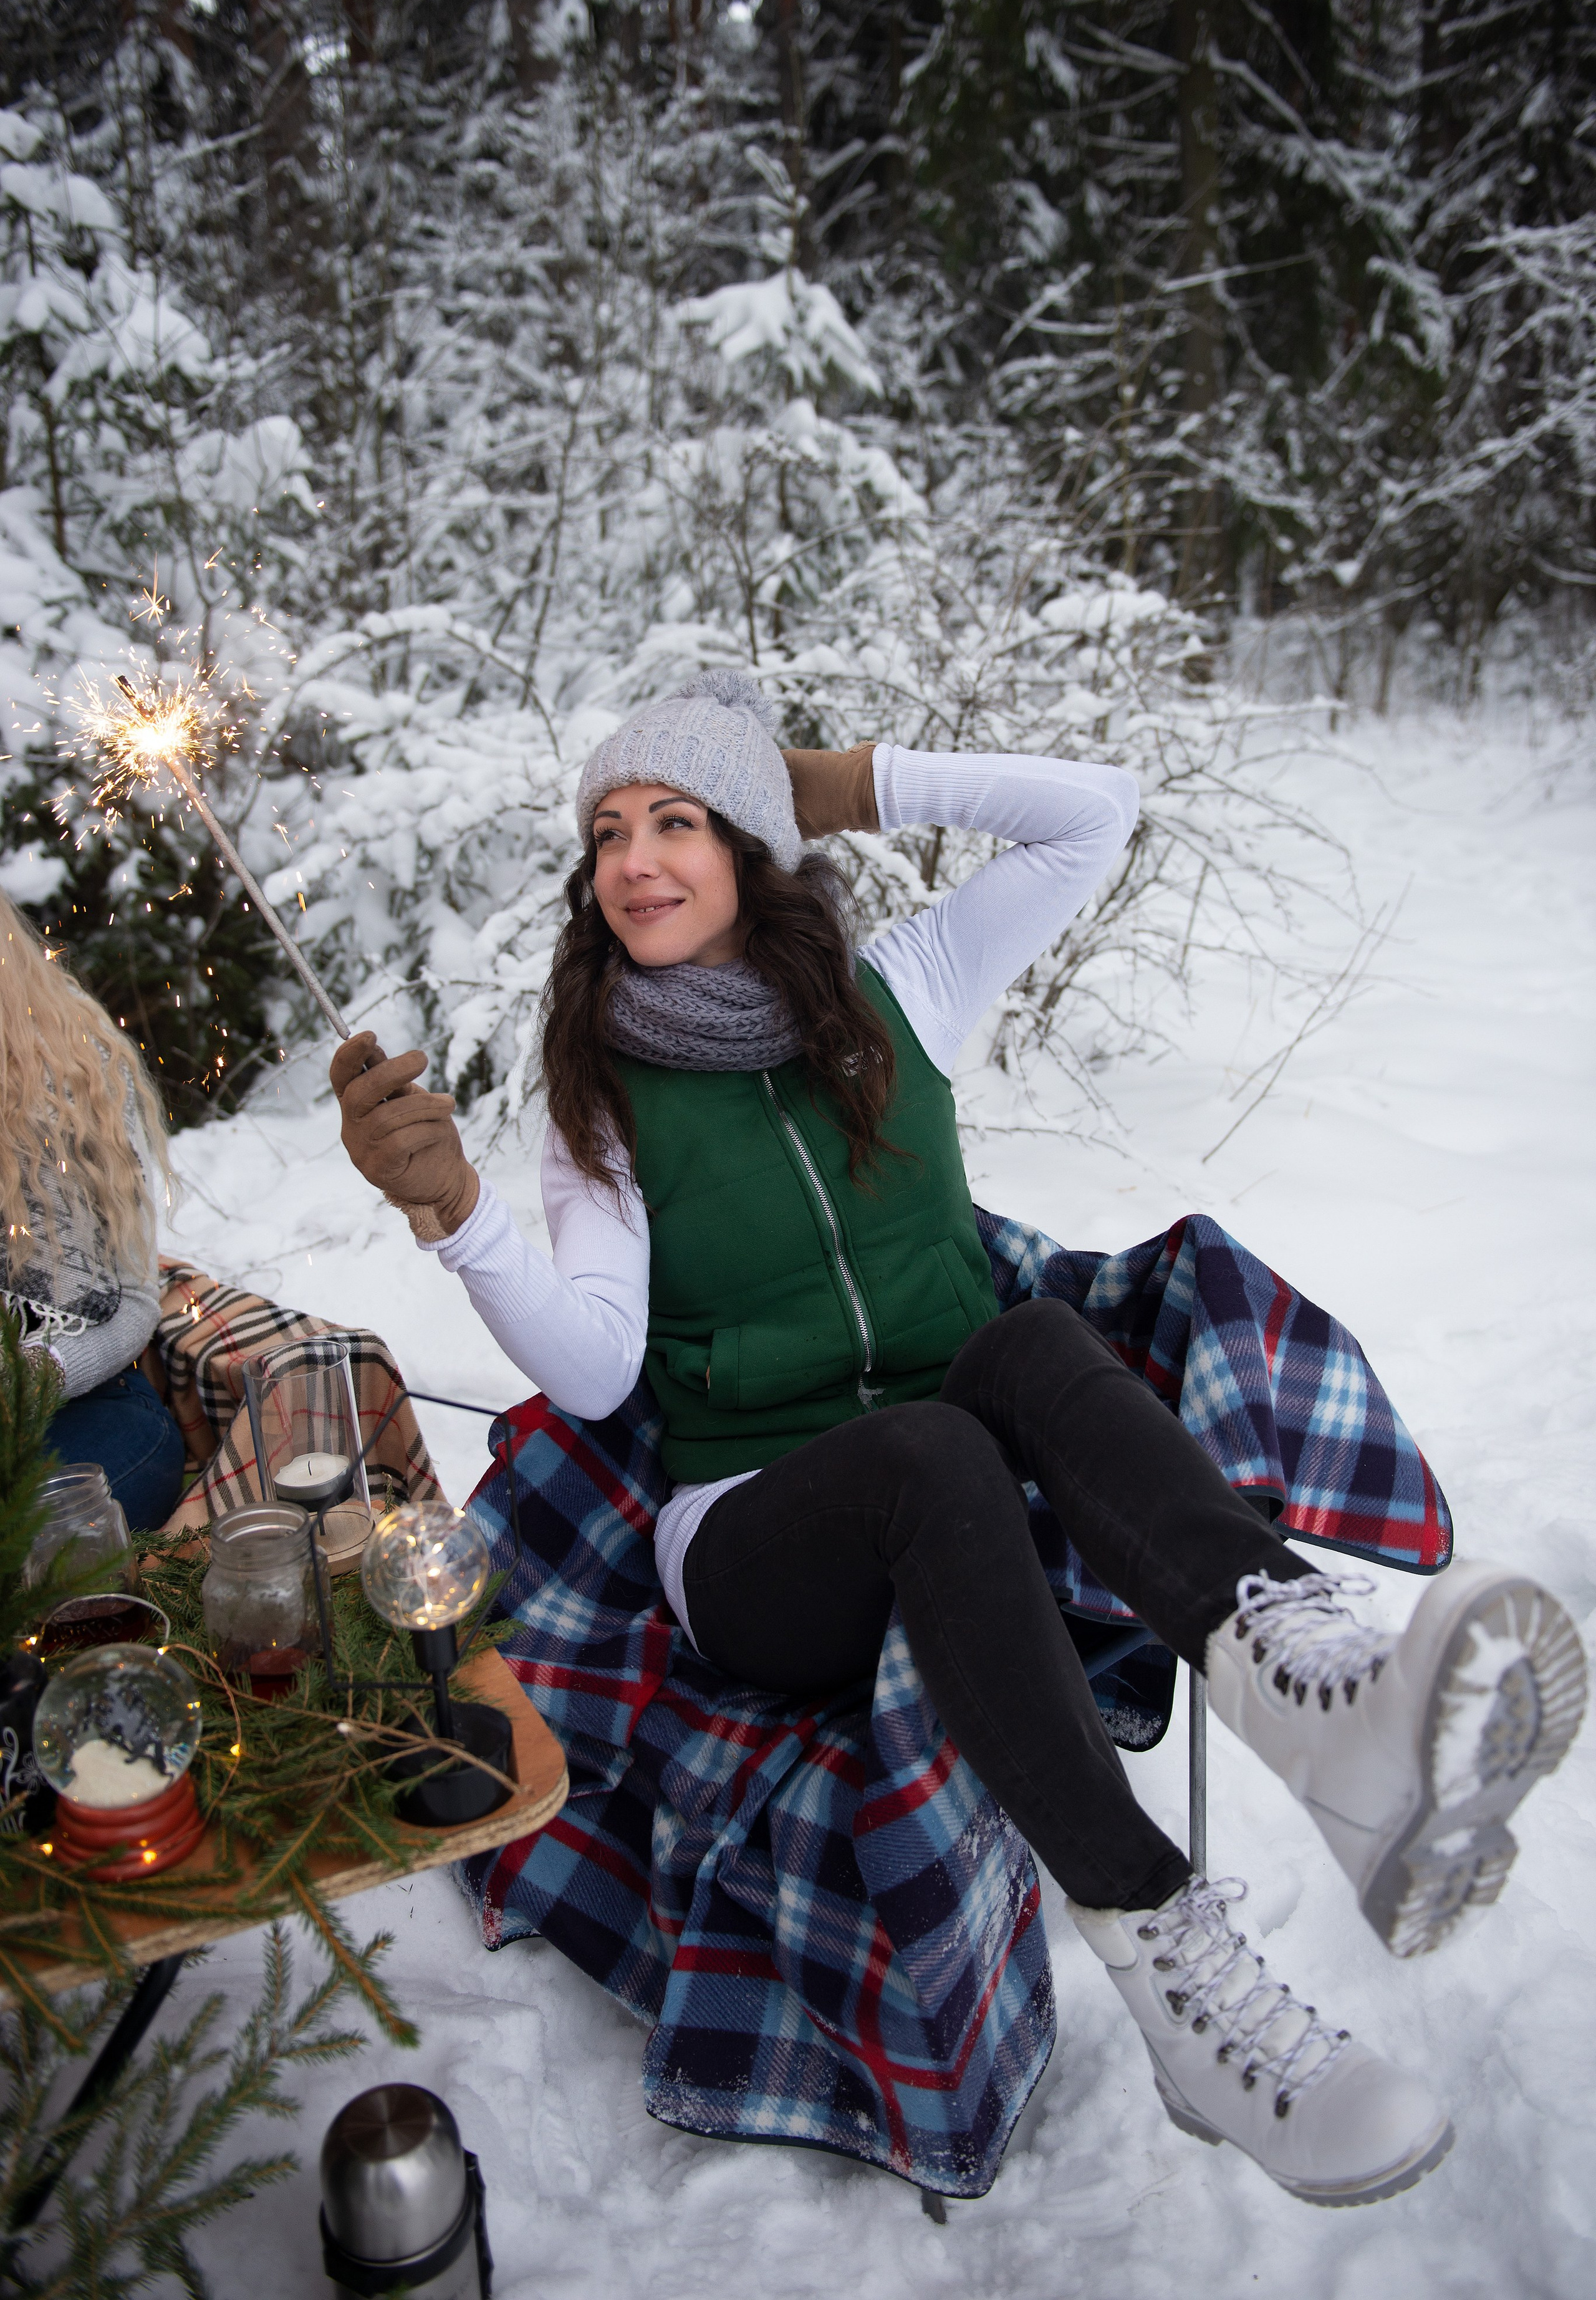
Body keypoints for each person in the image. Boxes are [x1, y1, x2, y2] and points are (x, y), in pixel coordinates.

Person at [331, 671, 1586, 2210]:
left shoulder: (901, 990)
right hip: (747, 1537)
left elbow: (1092, 815)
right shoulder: (600, 1088)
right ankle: (1167, 1952)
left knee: (1030, 1343)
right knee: (932, 1450)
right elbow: (595, 1372)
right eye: (606, 831)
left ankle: (1320, 1701)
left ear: (750, 841)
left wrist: (841, 778)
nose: (633, 858)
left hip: (952, 1481)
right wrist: (457, 1220)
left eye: (675, 819)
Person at [1, 887, 185, 1527]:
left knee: (32, 1538)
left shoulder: (72, 1064)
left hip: (84, 1402)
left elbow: (135, 1301)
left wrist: (34, 1380)